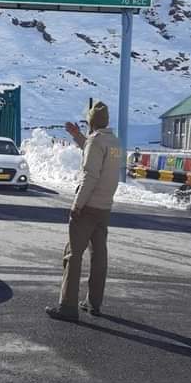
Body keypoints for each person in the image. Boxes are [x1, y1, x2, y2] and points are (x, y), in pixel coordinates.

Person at [46, 101, 122, 323]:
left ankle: (68, 306)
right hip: (105, 207)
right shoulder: (114, 142)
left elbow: (90, 174)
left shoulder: (96, 142)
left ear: (91, 121)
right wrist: (77, 136)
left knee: (73, 254)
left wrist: (77, 205)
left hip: (88, 206)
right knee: (99, 256)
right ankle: (94, 302)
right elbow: (95, 153)